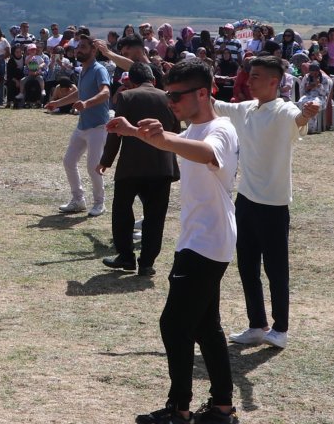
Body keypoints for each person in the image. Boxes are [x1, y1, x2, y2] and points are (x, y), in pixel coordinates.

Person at [107, 58, 239, 424]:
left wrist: (162, 136)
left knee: (175, 325)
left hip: (207, 242)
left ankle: (179, 410)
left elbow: (208, 154)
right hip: (201, 238)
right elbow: (181, 145)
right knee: (205, 326)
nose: (170, 103)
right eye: (168, 94)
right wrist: (134, 132)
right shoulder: (193, 128)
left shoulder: (220, 129)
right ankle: (221, 408)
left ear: (202, 92)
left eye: (177, 96)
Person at [213, 55, 318, 351]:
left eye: (257, 76)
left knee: (275, 270)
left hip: (273, 206)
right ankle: (257, 324)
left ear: (275, 82)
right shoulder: (246, 109)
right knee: (247, 266)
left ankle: (280, 328)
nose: (250, 80)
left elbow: (298, 119)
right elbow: (215, 106)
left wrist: (307, 113)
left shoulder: (283, 111)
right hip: (245, 200)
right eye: (250, 75)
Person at [99, 62, 179, 276]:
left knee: (122, 211)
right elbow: (175, 129)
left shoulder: (126, 97)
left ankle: (126, 257)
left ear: (131, 82)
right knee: (156, 215)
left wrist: (106, 160)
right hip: (162, 165)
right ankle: (147, 263)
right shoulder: (168, 96)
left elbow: (116, 131)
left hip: (131, 166)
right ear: (153, 79)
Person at [46, 36, 112, 217]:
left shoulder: (99, 69)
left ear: (94, 50)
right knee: (69, 161)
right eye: (77, 48)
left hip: (98, 127)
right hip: (83, 126)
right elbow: (78, 94)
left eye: (83, 47)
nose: (78, 50)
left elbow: (105, 93)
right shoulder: (83, 70)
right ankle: (78, 200)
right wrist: (57, 103)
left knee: (93, 167)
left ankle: (100, 203)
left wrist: (87, 104)